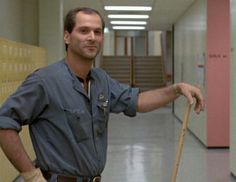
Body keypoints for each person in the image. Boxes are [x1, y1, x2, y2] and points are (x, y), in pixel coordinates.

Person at [0, 7, 204, 182]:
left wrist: (176, 89)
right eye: (84, 31)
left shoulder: (101, 80)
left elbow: (138, 100)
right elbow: (4, 122)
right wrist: (30, 175)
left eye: (98, 32)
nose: (92, 37)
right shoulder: (44, 81)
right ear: (67, 36)